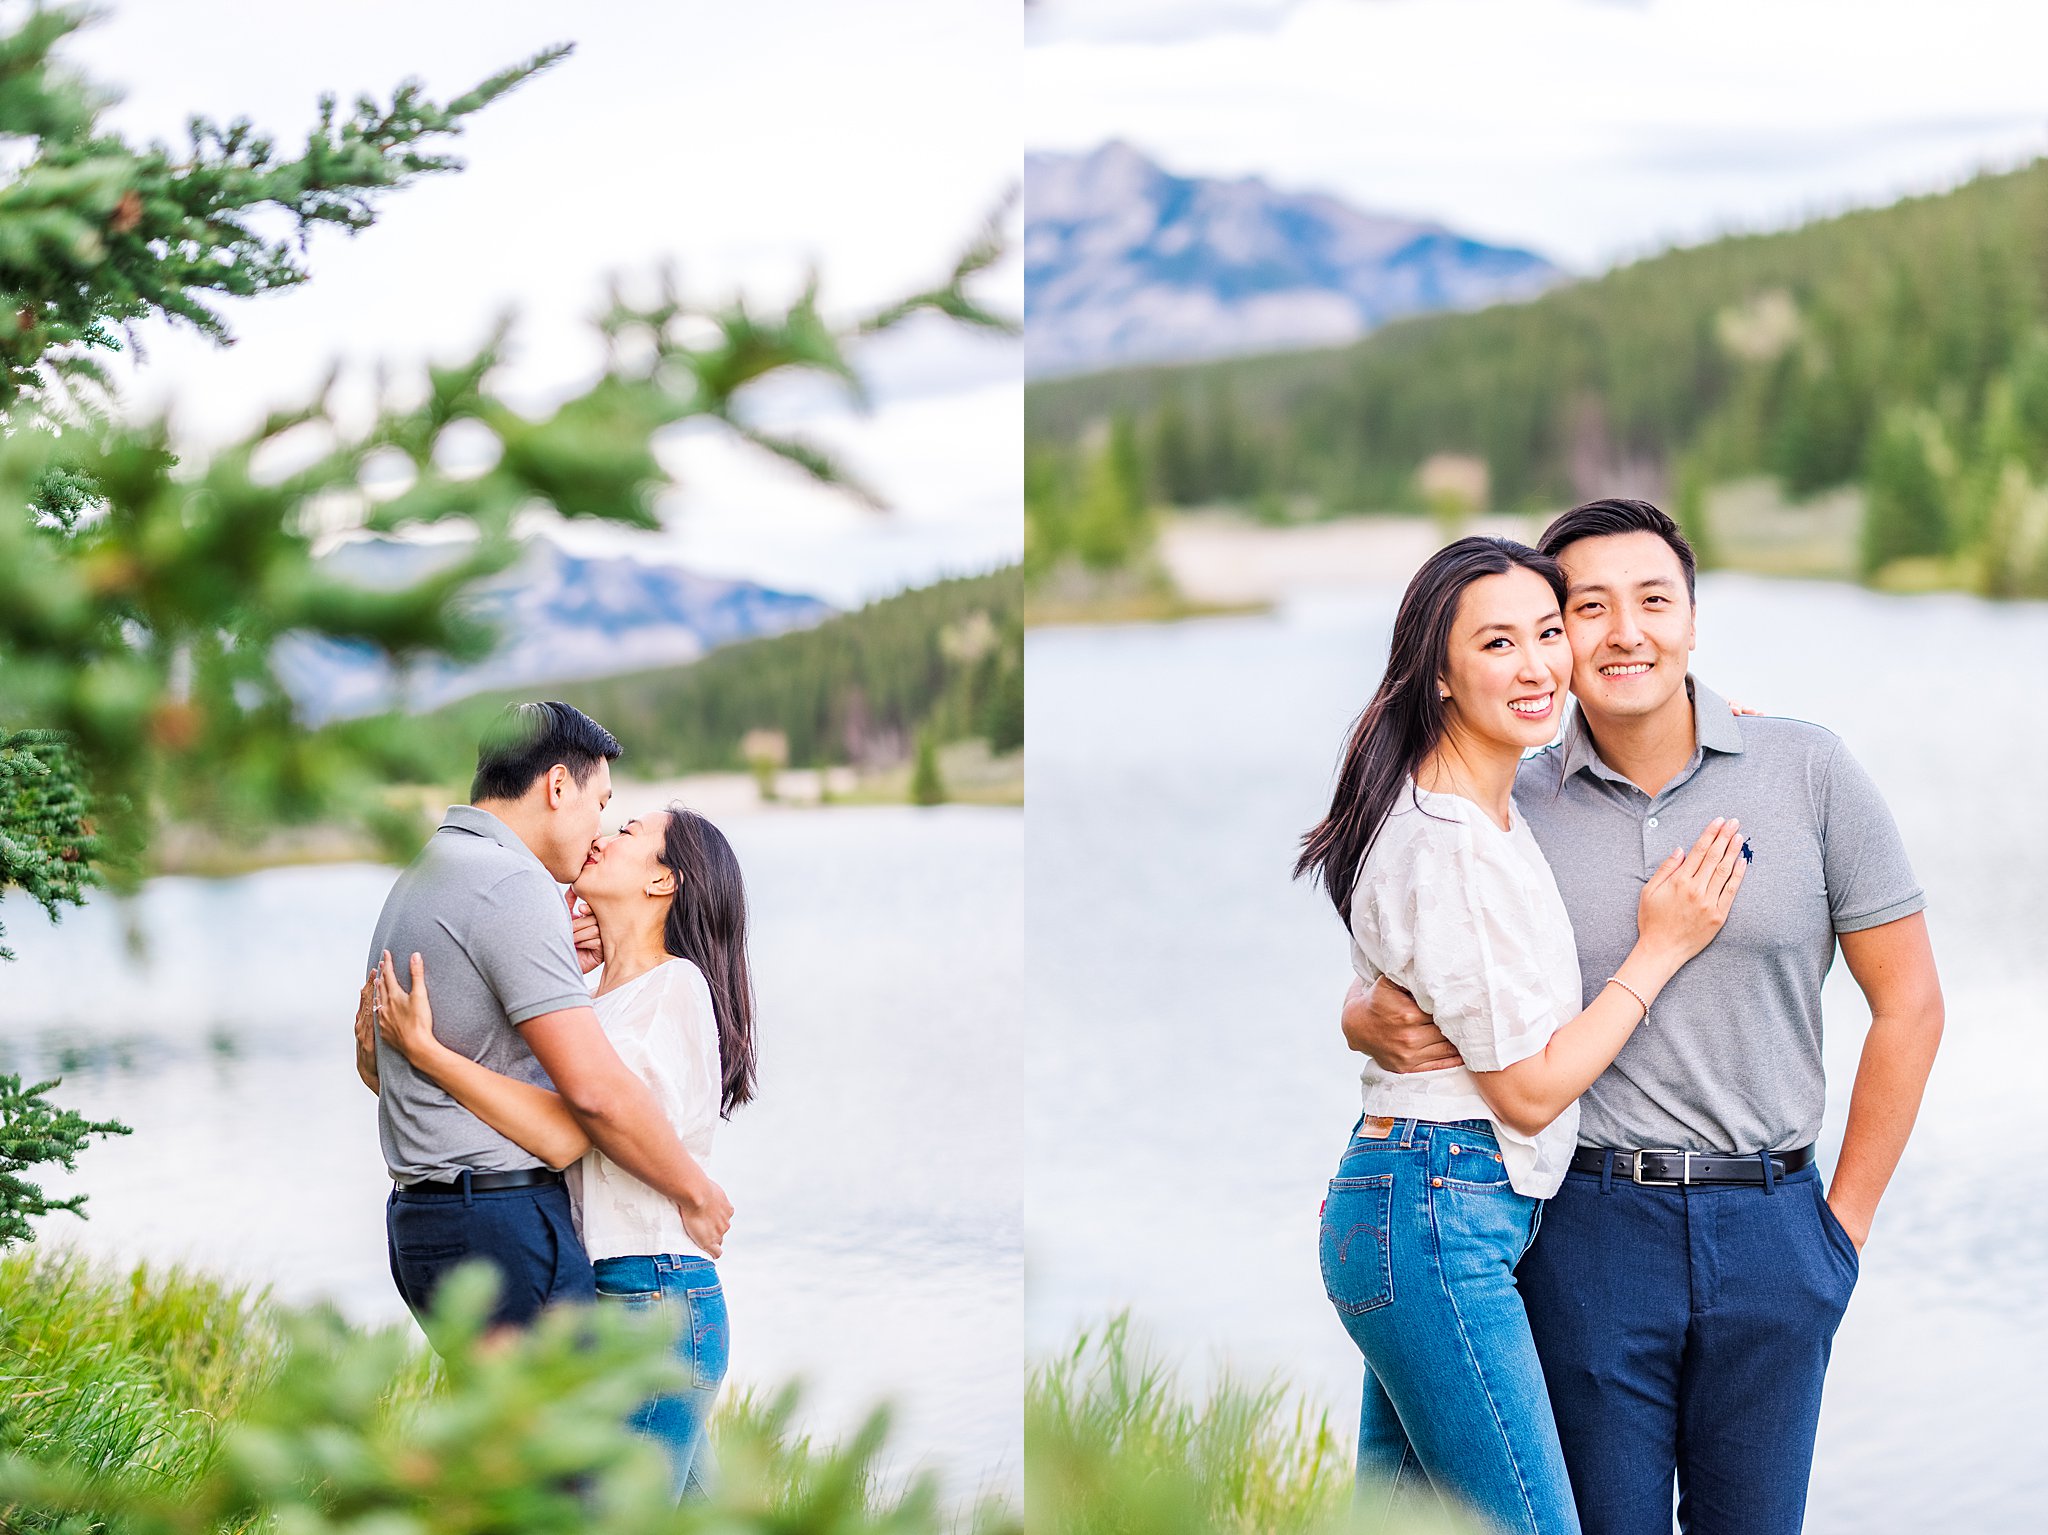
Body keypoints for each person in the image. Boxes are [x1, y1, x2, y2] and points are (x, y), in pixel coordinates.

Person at [1342, 499, 1944, 1535]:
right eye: (1587, 607)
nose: (1624, 631)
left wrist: (1837, 1233)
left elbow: (1911, 1005)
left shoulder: (1804, 770)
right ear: (1554, 632)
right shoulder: (1507, 797)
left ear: (1692, 620)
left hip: (1772, 1229)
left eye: (1652, 600)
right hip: (1580, 1236)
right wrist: (1359, 1014)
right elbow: (1418, 943)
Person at [1297, 533, 1748, 1535]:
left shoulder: (1481, 804)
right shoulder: (1454, 839)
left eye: (1548, 632)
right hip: (1434, 1211)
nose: (1539, 663)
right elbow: (1529, 1090)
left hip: (1423, 1206)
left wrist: (1718, 731)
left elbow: (1409, 979)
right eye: (1497, 643)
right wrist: (1659, 948)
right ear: (1441, 675)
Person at [362, 803, 755, 1500]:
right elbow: (521, 1109)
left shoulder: (672, 989)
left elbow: (569, 1129)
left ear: (665, 881)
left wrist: (427, 1050)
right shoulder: (595, 999)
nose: (604, 835)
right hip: (613, 1293)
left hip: (655, 1293)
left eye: (629, 832)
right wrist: (387, 1053)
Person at [358, 701, 732, 1337]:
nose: (600, 829)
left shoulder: (428, 873)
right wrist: (697, 1192)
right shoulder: (512, 886)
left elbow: (381, 1068)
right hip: (501, 1225)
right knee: (567, 1436)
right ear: (558, 786)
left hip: (426, 1222)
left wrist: (564, 965)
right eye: (602, 803)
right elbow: (585, 1111)